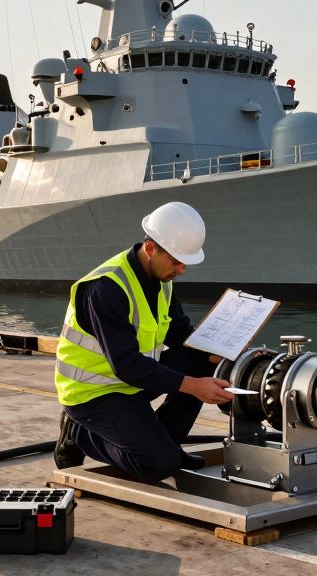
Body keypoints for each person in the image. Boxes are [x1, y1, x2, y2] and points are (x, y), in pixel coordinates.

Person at [53, 201, 233, 481]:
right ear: (150, 249)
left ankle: (165, 444)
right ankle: (81, 434)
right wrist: (194, 386)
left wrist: (217, 354)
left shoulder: (162, 279)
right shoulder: (106, 288)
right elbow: (126, 364)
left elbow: (180, 334)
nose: (182, 269)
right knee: (159, 465)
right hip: (94, 392)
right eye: (176, 261)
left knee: (199, 361)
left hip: (131, 383)